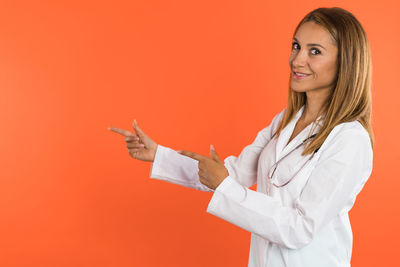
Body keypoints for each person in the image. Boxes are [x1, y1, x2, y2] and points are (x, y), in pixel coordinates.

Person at [109, 7, 374, 267]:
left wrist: (225, 187)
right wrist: (159, 155)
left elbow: (300, 228)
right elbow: (231, 173)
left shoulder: (350, 139)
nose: (297, 60)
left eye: (314, 51)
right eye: (296, 46)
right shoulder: (284, 121)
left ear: (345, 63)